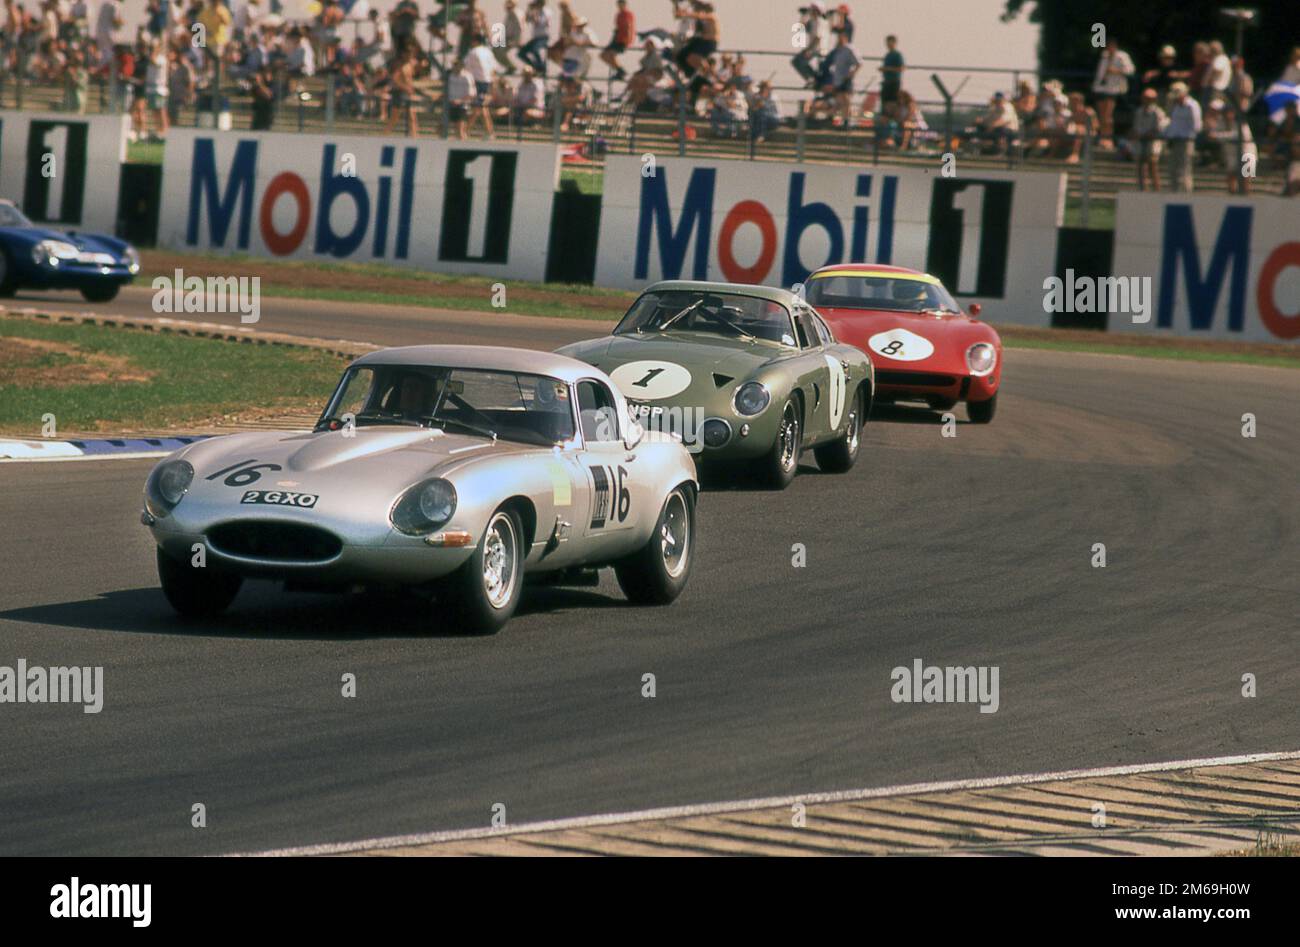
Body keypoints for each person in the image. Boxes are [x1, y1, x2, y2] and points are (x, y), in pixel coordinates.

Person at [1090, 37, 1133, 149]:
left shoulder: (1122, 56)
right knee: (1102, 115)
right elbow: (1100, 72)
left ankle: (1108, 139)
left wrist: (1115, 71)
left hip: (1113, 88)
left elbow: (1130, 70)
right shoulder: (1104, 56)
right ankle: (1103, 138)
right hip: (1101, 88)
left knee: (1108, 116)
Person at [1164, 81, 1202, 192]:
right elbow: (1173, 124)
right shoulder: (1176, 107)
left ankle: (1186, 193)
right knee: (1173, 169)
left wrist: (1187, 136)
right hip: (1174, 141)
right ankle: (1174, 192)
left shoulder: (1192, 106)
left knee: (1185, 169)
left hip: (1186, 141)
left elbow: (1197, 125)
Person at [817, 27, 859, 126]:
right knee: (839, 101)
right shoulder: (838, 50)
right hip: (837, 80)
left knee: (845, 100)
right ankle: (835, 118)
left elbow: (858, 63)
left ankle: (847, 121)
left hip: (845, 79)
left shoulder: (849, 49)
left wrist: (850, 75)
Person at [1131, 88, 1167, 190]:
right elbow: (1136, 127)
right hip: (1140, 141)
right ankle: (1142, 189)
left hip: (1152, 142)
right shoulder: (1139, 111)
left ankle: (1156, 190)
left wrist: (1147, 134)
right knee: (1140, 167)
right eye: (1145, 98)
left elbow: (1159, 128)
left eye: (1150, 98)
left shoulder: (1158, 112)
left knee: (1152, 166)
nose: (1147, 100)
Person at [385, 41, 419, 136]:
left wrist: (410, 89)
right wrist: (405, 88)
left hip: (407, 93)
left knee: (412, 117)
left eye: (411, 54)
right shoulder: (399, 65)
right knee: (395, 117)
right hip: (399, 93)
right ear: (404, 54)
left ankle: (415, 137)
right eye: (408, 54)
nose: (410, 56)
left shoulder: (410, 64)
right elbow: (395, 79)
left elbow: (410, 79)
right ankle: (385, 135)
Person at [791, 2, 827, 86]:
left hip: (817, 49)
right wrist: (804, 15)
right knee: (797, 61)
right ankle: (812, 78)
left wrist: (809, 50)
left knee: (799, 61)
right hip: (813, 48)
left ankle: (812, 78)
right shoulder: (813, 21)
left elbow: (818, 38)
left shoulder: (820, 22)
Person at [599, 0, 634, 80]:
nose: (620, 6)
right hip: (616, 38)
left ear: (625, 5)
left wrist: (627, 41)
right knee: (603, 55)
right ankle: (620, 70)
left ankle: (620, 72)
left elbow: (628, 27)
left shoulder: (628, 14)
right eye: (619, 4)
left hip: (623, 39)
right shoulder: (619, 15)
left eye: (621, 4)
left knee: (611, 54)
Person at [520, 0, 550, 74]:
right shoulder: (536, 12)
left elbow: (538, 22)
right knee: (521, 53)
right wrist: (529, 9)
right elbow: (527, 20)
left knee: (535, 50)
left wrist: (534, 13)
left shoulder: (546, 12)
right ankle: (535, 66)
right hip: (535, 38)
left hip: (543, 37)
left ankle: (542, 67)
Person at [879, 34, 904, 108]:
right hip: (886, 81)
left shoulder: (897, 55)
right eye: (887, 42)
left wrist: (887, 69)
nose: (888, 44)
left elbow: (901, 68)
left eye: (890, 42)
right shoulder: (887, 55)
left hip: (894, 82)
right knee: (885, 102)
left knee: (893, 102)